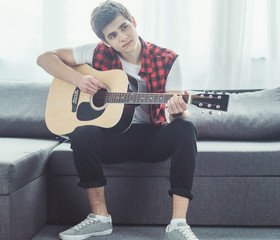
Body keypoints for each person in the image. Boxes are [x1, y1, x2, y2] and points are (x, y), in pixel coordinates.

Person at [37, 1, 199, 239]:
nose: (122, 37)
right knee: (81, 133)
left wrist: (177, 110)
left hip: (152, 138)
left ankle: (177, 225)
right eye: (113, 35)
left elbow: (174, 115)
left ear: (133, 21)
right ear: (106, 41)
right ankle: (100, 218)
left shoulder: (168, 59)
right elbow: (44, 58)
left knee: (185, 127)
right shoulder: (96, 52)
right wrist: (78, 80)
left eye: (124, 27)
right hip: (114, 138)